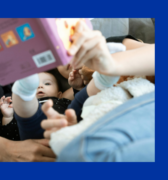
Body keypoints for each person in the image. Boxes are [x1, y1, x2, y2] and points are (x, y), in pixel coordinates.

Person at [40, 21, 155, 162]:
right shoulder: (74, 91)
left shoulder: (110, 46)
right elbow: (74, 106)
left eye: (66, 46)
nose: (67, 57)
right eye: (61, 61)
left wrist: (113, 64)